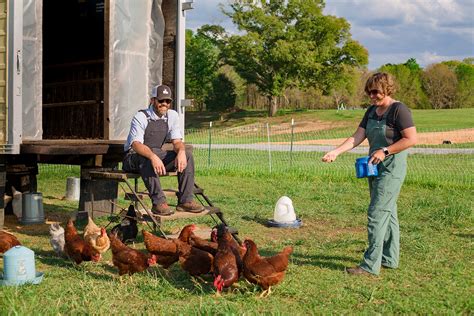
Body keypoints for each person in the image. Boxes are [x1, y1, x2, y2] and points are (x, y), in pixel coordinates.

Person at [322, 72, 417, 276]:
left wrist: (385, 151)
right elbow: (357, 136)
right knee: (388, 213)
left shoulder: (399, 110)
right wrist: (336, 152)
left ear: (387, 89)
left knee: (376, 214)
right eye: (369, 92)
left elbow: (411, 139)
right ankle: (389, 258)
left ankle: (369, 265)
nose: (372, 96)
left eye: (375, 92)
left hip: (391, 168)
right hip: (373, 167)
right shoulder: (372, 111)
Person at [123, 84, 204, 216]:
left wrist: (181, 152)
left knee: (187, 156)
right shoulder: (141, 116)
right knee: (147, 157)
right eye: (161, 100)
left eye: (167, 101)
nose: (164, 104)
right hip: (133, 157)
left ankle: (185, 201)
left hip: (155, 153)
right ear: (152, 100)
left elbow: (177, 141)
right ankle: (159, 203)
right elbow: (136, 145)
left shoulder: (172, 116)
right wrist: (153, 157)